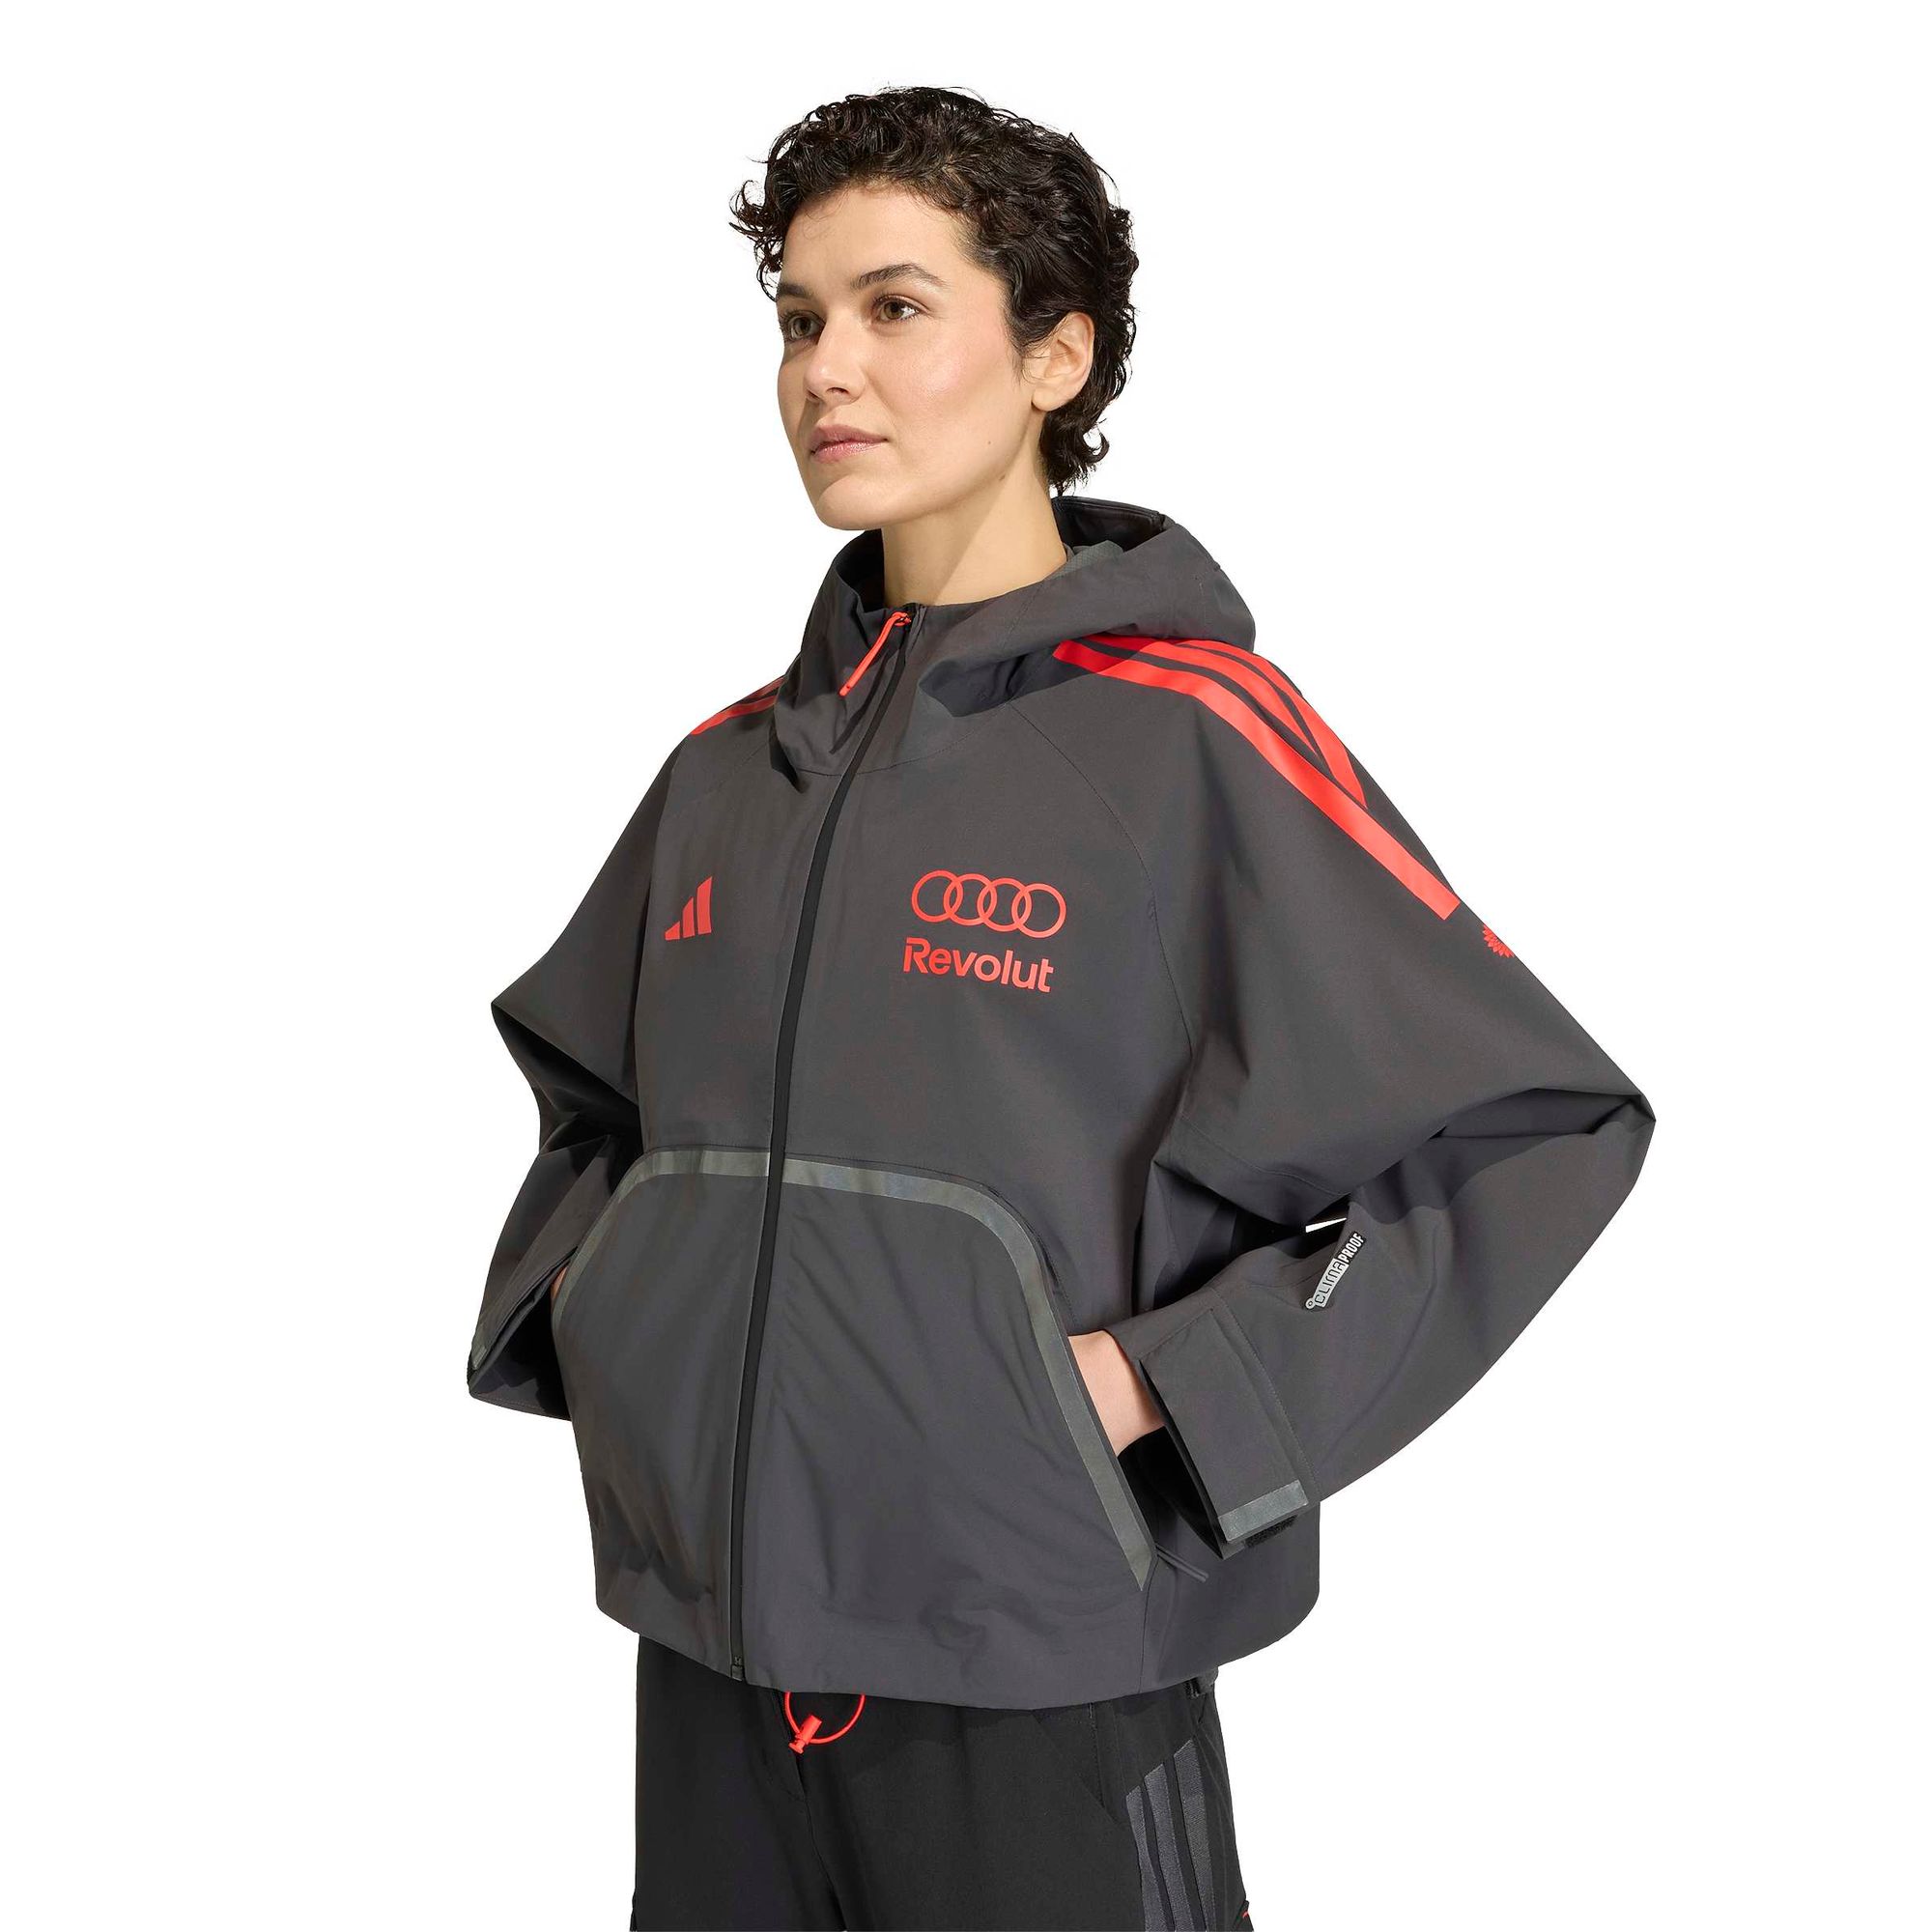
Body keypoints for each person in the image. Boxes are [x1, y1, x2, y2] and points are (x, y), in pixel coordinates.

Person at [466, 85, 1655, 1931]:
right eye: (800, 318)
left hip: (1040, 1677)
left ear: (1055, 355)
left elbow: (1528, 1128)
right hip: (708, 1666)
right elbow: (594, 1106)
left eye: (896, 307)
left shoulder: (1191, 744)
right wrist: (606, 1318)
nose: (826, 371)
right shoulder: (721, 775)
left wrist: (1164, 1387)